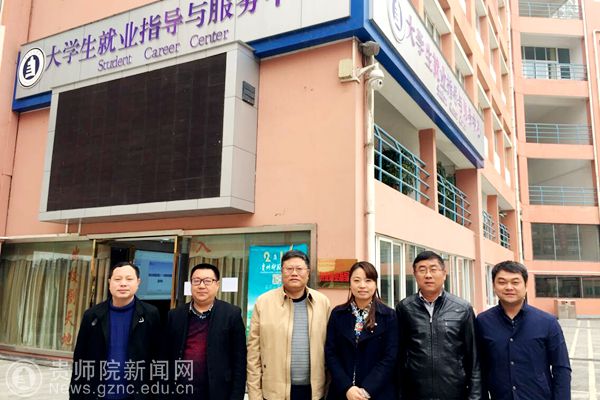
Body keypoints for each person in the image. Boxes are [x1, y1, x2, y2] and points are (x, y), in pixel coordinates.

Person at [476, 261, 571, 400]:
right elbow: (480, 368)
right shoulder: (483, 321)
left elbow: (561, 368)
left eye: (515, 282)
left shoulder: (547, 322)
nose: (509, 287)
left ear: (526, 286)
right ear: (493, 286)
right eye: (502, 282)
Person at [395, 250, 481, 400]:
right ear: (415, 275)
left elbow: (473, 357)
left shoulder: (462, 308)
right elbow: (399, 355)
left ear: (444, 274)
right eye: (422, 270)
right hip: (415, 393)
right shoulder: (405, 308)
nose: (428, 275)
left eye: (433, 269)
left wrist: (475, 396)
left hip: (454, 392)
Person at [70, 261, 161, 400]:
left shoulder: (150, 314)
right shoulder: (92, 315)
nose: (123, 284)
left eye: (129, 279)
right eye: (117, 279)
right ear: (109, 282)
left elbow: (157, 357)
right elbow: (80, 359)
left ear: (138, 282)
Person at [247, 250, 331, 400]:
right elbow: (254, 352)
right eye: (289, 269)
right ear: (281, 272)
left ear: (308, 273)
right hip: (273, 392)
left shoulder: (322, 302)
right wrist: (255, 394)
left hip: (312, 392)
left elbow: (331, 348)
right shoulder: (264, 302)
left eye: (299, 269)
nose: (294, 273)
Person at [165, 263, 246, 400]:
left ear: (217, 285)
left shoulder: (231, 314)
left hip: (218, 392)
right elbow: (165, 355)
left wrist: (236, 396)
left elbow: (239, 361)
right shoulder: (175, 315)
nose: (201, 286)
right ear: (191, 284)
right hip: (181, 392)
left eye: (207, 281)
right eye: (196, 281)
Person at [325, 261, 398, 400]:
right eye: (357, 280)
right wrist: (347, 387)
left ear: (375, 284)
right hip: (342, 392)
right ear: (350, 283)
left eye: (368, 280)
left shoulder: (388, 316)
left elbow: (390, 357)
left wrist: (366, 390)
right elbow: (331, 353)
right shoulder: (338, 314)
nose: (362, 285)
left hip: (377, 392)